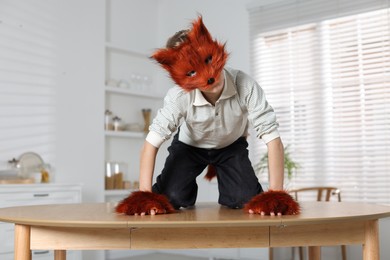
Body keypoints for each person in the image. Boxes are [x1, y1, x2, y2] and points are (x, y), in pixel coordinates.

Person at [116, 16, 299, 216]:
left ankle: (231, 187)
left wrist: (276, 197)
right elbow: (150, 145)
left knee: (244, 199)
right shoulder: (179, 97)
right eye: (194, 71)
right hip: (189, 146)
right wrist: (144, 197)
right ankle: (183, 190)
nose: (209, 75)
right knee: (173, 197)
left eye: (208, 60)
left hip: (231, 146)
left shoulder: (244, 85)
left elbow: (273, 140)